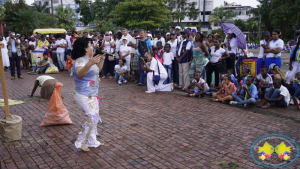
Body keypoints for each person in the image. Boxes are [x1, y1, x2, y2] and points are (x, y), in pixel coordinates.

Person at [71, 37, 105, 151]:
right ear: (85, 48)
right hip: (83, 94)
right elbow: (80, 74)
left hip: (93, 94)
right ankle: (80, 142)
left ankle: (92, 141)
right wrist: (89, 63)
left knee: (95, 116)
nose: (93, 46)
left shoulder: (90, 60)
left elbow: (97, 71)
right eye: (90, 44)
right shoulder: (80, 61)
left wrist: (102, 59)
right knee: (92, 117)